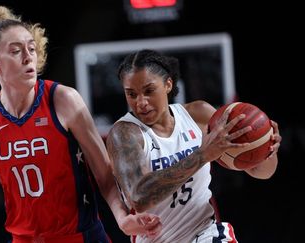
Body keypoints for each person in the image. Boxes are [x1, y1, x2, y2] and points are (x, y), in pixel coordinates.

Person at [0, 6, 162, 243]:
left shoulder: (63, 100)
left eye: (31, 48)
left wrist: (121, 218)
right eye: (15, 50)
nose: (27, 57)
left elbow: (104, 173)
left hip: (80, 236)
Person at [105, 49, 282, 243]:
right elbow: (139, 197)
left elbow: (262, 171)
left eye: (149, 91)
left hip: (205, 232)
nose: (141, 103)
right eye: (131, 94)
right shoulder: (124, 134)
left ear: (168, 85)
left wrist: (265, 149)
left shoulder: (198, 115)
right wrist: (201, 155)